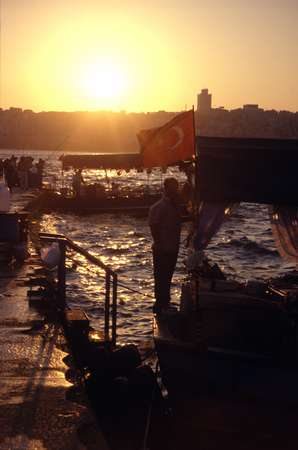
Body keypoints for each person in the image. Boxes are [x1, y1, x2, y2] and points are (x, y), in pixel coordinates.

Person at [148, 177, 182, 314]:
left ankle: (165, 302)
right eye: (173, 187)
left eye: (176, 187)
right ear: (166, 188)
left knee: (168, 276)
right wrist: (159, 242)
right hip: (163, 248)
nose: (175, 190)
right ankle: (160, 303)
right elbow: (153, 225)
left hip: (173, 247)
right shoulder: (159, 206)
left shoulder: (175, 205)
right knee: (161, 276)